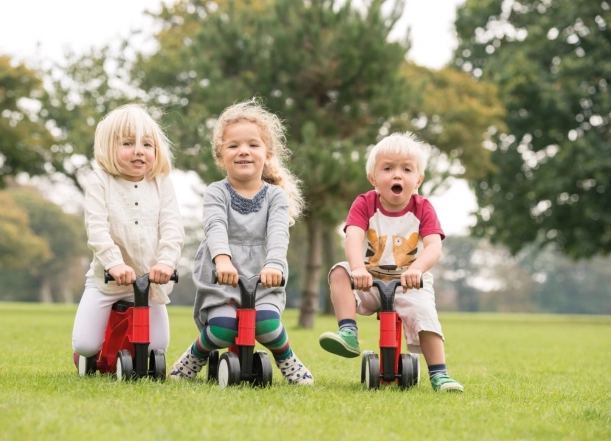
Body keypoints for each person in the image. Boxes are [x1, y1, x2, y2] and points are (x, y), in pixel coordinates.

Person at [169, 99, 313, 385]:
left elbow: (277, 233)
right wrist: (222, 259)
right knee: (223, 329)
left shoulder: (275, 196)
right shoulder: (216, 192)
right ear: (221, 156)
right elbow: (215, 226)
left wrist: (273, 264)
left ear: (268, 154)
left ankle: (286, 357)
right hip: (221, 276)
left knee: (268, 325)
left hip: (264, 276)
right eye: (233, 146)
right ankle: (195, 354)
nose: (243, 151)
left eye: (253, 145)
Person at [318, 132, 463, 392]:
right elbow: (353, 237)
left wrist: (417, 269)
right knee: (339, 272)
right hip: (369, 280)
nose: (397, 175)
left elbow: (433, 246)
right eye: (388, 168)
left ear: (418, 179)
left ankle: (439, 374)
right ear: (373, 177)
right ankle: (348, 333)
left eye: (406, 169)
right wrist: (359, 269)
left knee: (426, 317)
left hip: (409, 283)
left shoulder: (423, 208)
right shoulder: (365, 203)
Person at [72, 103, 184, 361]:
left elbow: (172, 227)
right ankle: (95, 349)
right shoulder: (101, 180)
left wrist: (166, 261)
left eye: (147, 144)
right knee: (86, 346)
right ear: (108, 148)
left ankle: (123, 345)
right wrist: (114, 264)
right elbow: (97, 228)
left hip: (150, 280)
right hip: (109, 280)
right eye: (127, 144)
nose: (138, 151)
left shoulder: (161, 183)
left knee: (157, 347)